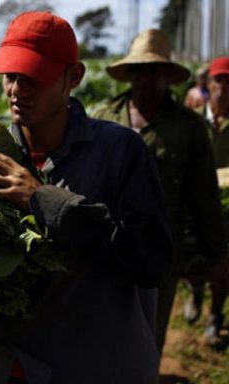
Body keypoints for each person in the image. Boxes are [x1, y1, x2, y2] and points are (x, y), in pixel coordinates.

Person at [0, 12, 172, 384]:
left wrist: (44, 201)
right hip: (8, 369)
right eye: (10, 76)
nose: (16, 90)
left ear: (72, 77)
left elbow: (151, 259)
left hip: (96, 367)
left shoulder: (119, 151)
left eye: (33, 78)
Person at [92, 29, 227, 356]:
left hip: (160, 256)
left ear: (167, 74)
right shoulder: (102, 118)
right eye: (140, 69)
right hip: (100, 251)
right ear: (129, 73)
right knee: (98, 342)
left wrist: (218, 255)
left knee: (146, 346)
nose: (146, 77)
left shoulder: (187, 128)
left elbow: (204, 198)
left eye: (155, 69)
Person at [183, 56, 229, 348]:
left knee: (224, 264)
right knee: (193, 257)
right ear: (208, 84)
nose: (223, 88)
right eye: (218, 81)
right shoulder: (195, 122)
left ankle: (215, 317)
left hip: (227, 207)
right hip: (197, 204)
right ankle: (195, 291)